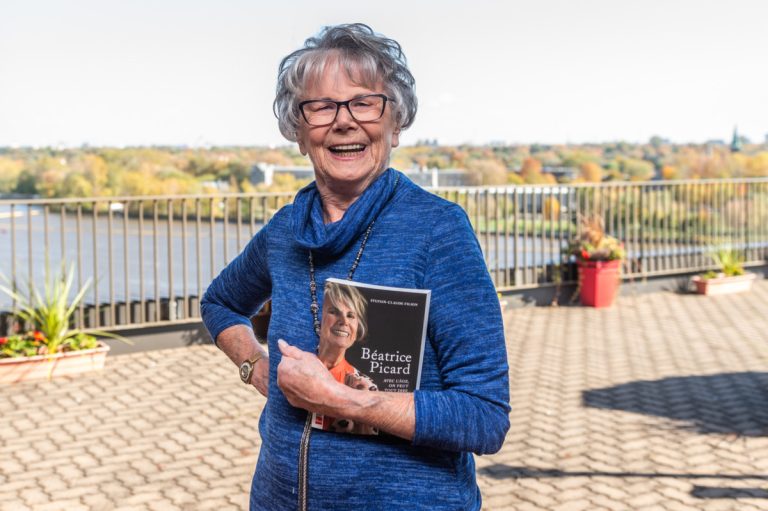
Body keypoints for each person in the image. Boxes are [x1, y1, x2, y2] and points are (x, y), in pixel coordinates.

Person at [201, 23, 510, 511]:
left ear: (395, 123)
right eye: (320, 106)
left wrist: (343, 400)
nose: (343, 121)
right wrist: (254, 365)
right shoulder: (283, 232)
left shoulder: (437, 230)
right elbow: (219, 303)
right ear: (298, 132)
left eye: (365, 103)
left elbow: (485, 416)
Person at [313, 281, 378, 434]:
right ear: (320, 319)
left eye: (351, 315)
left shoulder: (363, 385)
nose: (344, 321)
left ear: (357, 328)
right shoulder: (298, 367)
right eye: (334, 311)